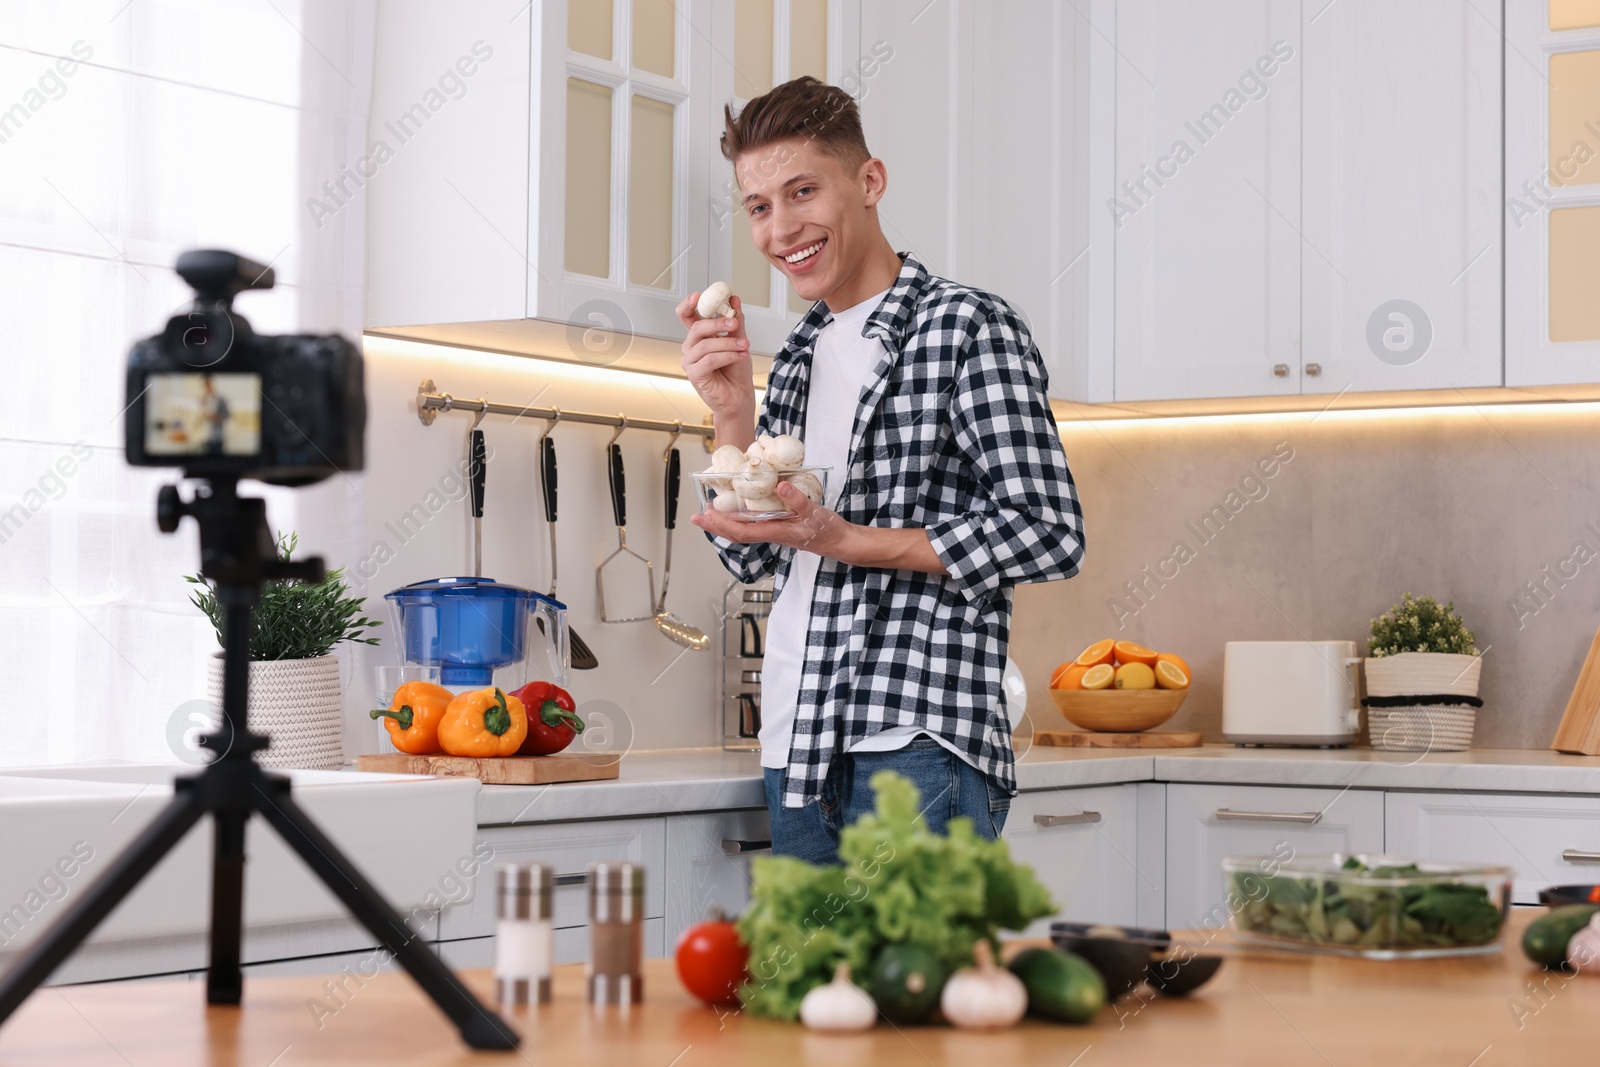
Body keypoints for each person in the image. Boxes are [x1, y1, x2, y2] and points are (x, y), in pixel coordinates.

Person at [677, 76, 1085, 864]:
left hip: (917, 740)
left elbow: (1049, 530)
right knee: (817, 992)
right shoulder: (795, 353)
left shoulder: (966, 326)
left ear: (869, 182)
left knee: (912, 990)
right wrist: (731, 415)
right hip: (796, 740)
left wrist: (848, 538)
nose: (781, 227)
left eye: (803, 191)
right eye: (759, 205)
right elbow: (757, 555)